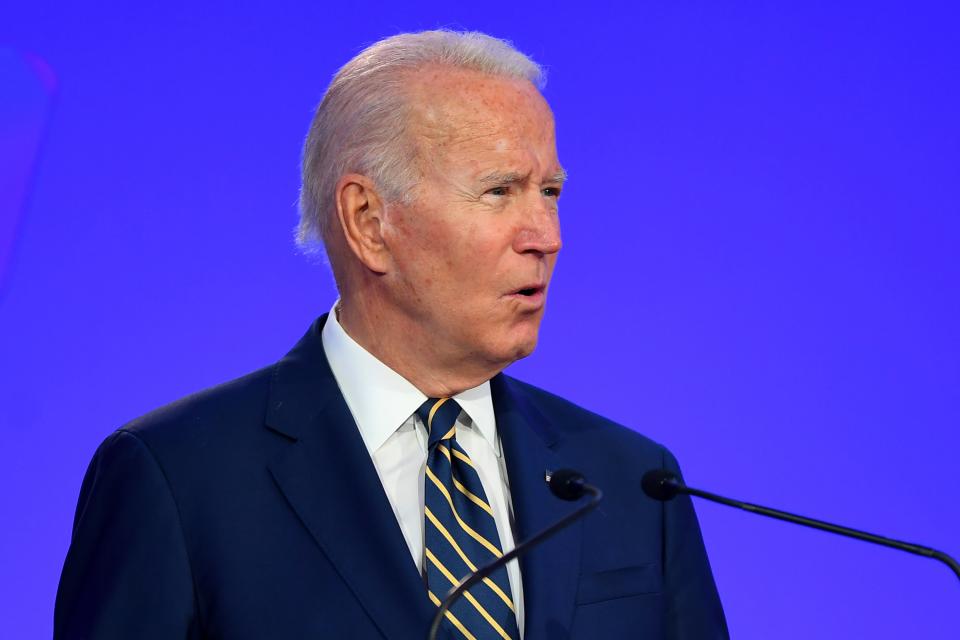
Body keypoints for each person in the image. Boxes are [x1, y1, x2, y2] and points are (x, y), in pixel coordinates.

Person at [54, 30, 728, 639]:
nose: (548, 238)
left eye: (549, 192)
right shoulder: (177, 478)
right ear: (368, 221)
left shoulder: (632, 480)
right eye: (500, 191)